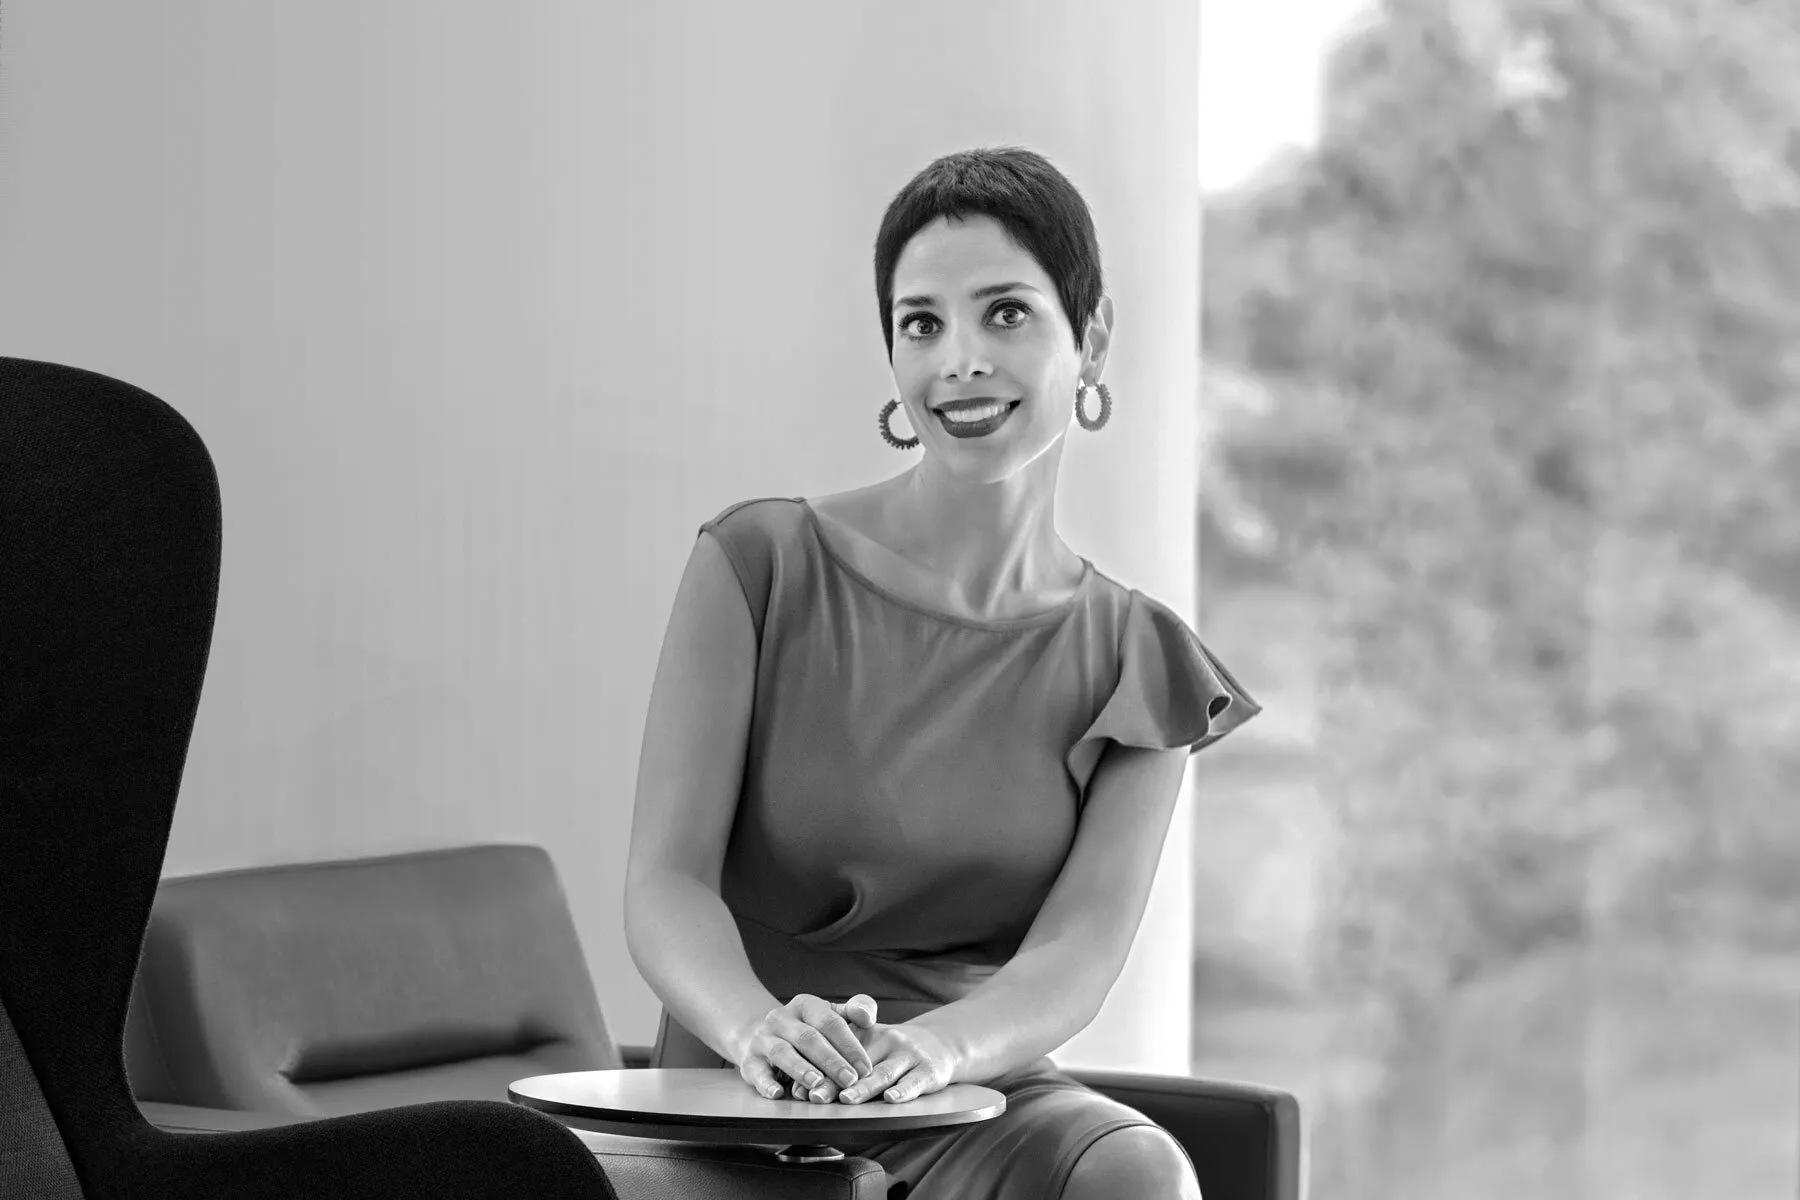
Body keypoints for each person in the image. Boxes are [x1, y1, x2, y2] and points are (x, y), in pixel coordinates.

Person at [623, 146, 1259, 1199]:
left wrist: (942, 1053)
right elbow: (664, 884)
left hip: (971, 1086)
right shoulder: (760, 563)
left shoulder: (1144, 661)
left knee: (1140, 1173)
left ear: (1092, 338)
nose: (959, 360)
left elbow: (1075, 958)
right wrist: (755, 1028)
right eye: (922, 324)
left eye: (1004, 313)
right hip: (746, 1085)